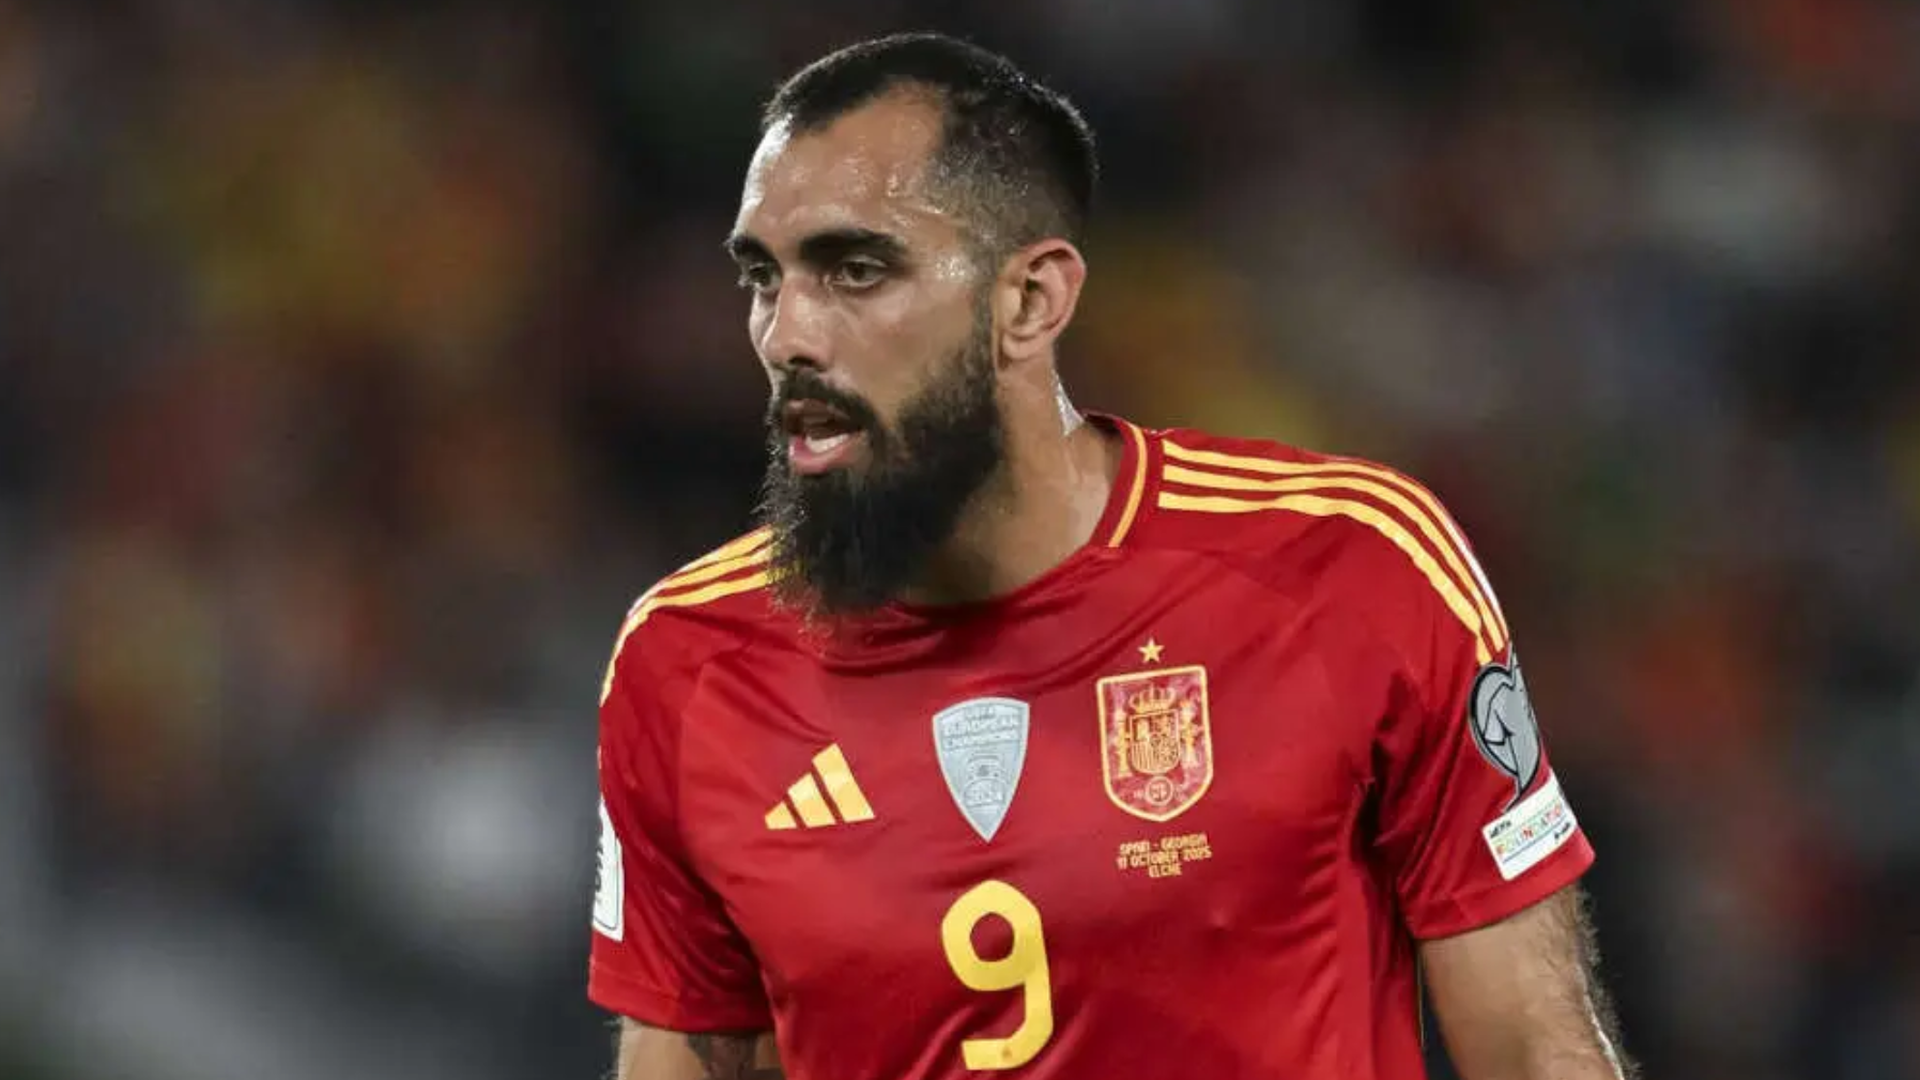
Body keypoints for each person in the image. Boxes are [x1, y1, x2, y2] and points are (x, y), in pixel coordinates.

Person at [588, 31, 1632, 1080]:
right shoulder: (686, 665)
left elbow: (1537, 1054)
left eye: (856, 269)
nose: (786, 335)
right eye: (763, 278)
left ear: (1031, 300)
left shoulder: (1346, 567)